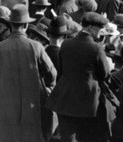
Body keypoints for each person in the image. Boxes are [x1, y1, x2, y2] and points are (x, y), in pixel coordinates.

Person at [0, 3, 56, 142]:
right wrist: (46, 88)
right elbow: (52, 73)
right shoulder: (36, 47)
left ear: (10, 25)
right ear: (26, 26)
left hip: (3, 102)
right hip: (31, 101)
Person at [49, 12, 114, 142]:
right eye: (99, 29)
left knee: (67, 137)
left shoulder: (66, 44)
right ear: (90, 27)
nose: (101, 32)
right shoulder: (96, 48)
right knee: (86, 137)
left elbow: (62, 70)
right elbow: (105, 74)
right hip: (87, 102)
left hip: (65, 98)